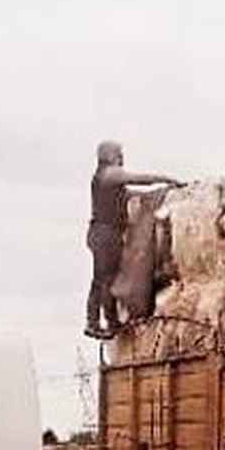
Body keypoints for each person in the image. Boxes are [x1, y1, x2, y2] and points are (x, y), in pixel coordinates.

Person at [86, 140, 180, 339]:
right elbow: (138, 179)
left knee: (101, 279)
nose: (122, 157)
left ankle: (96, 321)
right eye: (119, 153)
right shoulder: (109, 173)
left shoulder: (107, 181)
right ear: (110, 155)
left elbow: (132, 192)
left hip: (102, 234)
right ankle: (108, 322)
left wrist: (161, 193)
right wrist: (166, 179)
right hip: (106, 234)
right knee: (107, 280)